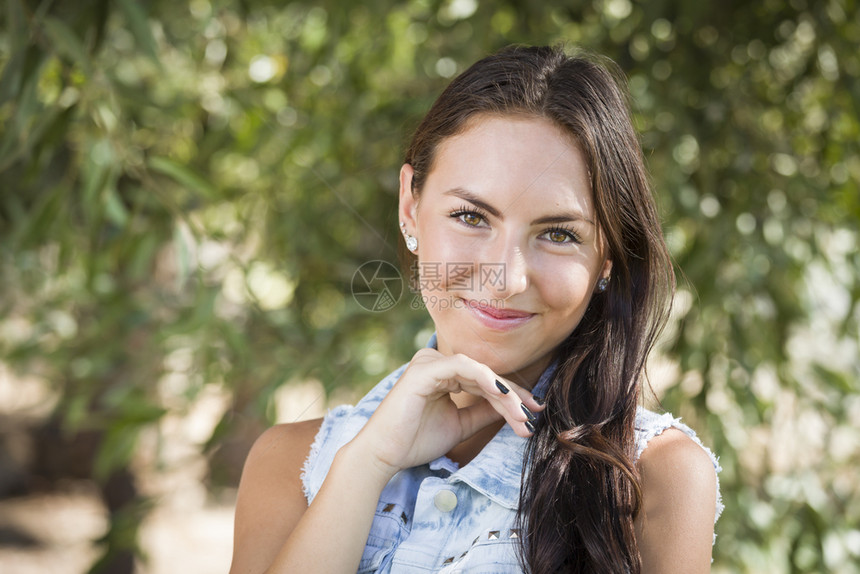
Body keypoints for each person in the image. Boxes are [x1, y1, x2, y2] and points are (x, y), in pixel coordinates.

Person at [229, 44, 722, 574]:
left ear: (607, 256)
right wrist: (366, 466)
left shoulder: (652, 479)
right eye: (471, 216)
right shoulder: (291, 464)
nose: (506, 278)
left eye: (558, 234)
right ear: (410, 208)